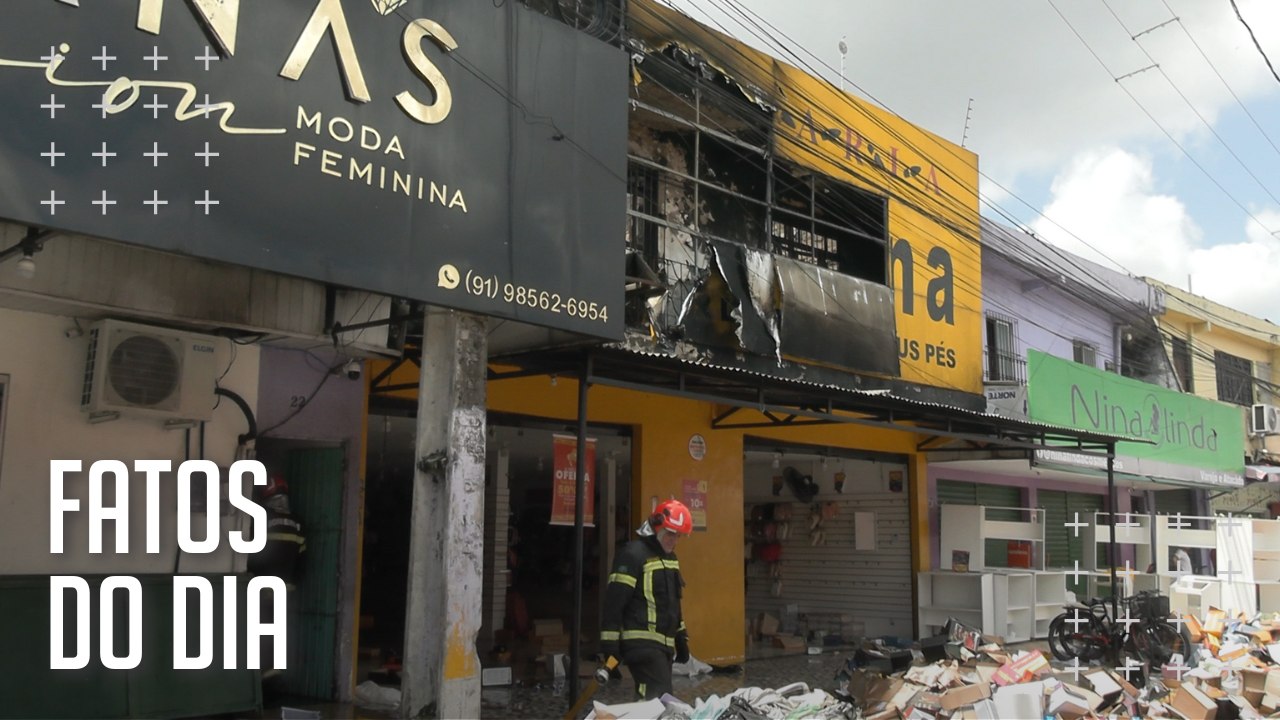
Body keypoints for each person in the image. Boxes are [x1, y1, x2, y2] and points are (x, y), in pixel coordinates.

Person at [600, 499, 693, 700]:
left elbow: (673, 603)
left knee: (657, 699)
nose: (674, 540)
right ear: (656, 527)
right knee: (657, 697)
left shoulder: (670, 558)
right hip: (640, 643)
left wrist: (680, 636)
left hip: (662, 646)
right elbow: (614, 602)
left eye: (677, 535)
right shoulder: (632, 555)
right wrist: (609, 646)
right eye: (670, 533)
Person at [247, 472, 306, 683]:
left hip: (261, 587)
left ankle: (260, 673)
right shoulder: (298, 523)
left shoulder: (261, 518)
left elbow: (250, 554)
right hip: (286, 589)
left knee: (258, 628)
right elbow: (302, 559)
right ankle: (274, 667)